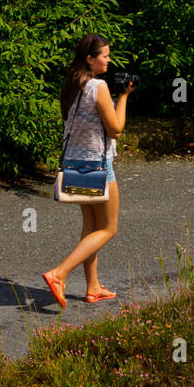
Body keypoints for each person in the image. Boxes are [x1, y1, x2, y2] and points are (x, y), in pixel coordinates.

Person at [42, 33, 133, 308]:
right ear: (89, 59)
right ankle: (59, 273)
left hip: (73, 162)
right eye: (104, 56)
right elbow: (116, 130)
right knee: (109, 228)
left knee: (91, 227)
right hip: (98, 165)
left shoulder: (73, 84)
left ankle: (93, 287)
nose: (108, 60)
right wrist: (124, 96)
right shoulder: (98, 86)